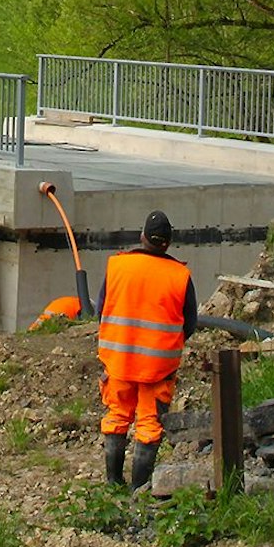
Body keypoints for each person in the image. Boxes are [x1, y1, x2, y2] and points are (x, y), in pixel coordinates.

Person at [96, 209, 197, 491]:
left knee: (117, 417)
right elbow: (190, 324)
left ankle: (113, 484)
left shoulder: (117, 266)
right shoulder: (180, 275)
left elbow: (101, 310)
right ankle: (139, 490)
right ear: (168, 242)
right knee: (149, 426)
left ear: (142, 237)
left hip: (118, 361)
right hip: (158, 368)